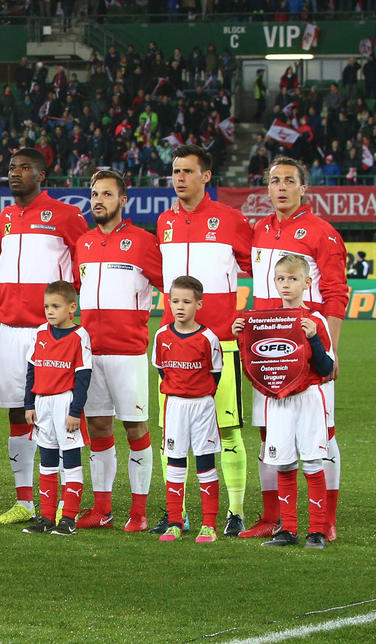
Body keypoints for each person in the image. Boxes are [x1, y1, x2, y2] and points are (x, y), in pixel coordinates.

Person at [241, 156, 348, 540]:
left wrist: (329, 350)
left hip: (306, 349)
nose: (281, 187)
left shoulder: (322, 232)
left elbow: (336, 292)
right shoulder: (259, 230)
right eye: (274, 181)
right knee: (270, 433)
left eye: (289, 180)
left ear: (304, 188)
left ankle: (327, 519)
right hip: (267, 353)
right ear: (266, 188)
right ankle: (275, 518)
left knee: (325, 432)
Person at [0, 148, 88, 526]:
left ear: (42, 175)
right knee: (18, 412)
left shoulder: (65, 215)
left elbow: (84, 263)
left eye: (25, 168)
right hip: (10, 329)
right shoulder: (7, 216)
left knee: (59, 415)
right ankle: (25, 502)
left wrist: (68, 315)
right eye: (12, 167)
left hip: (48, 332)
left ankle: (64, 503)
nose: (16, 173)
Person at [155, 145, 253, 536]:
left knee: (227, 430)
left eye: (188, 171)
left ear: (206, 176)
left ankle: (234, 510)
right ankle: (176, 514)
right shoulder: (163, 222)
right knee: (170, 434)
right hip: (171, 346)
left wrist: (244, 315)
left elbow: (257, 268)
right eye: (176, 171)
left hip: (220, 345)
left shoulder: (230, 220)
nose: (180, 178)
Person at [69, 170, 162, 532]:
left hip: (129, 353)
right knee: (98, 425)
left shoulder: (142, 242)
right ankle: (102, 508)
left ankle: (138, 514)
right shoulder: (84, 243)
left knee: (136, 427)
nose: (98, 201)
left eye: (107, 194)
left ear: (124, 201)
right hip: (91, 353)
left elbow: (167, 285)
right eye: (94, 194)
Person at [232, 254, 334, 549]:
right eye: (280, 279)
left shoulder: (315, 320)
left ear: (307, 282)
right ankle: (287, 530)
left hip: (307, 401)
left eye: (292, 278)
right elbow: (258, 365)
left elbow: (327, 369)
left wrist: (313, 339)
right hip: (277, 403)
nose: (286, 284)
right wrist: (241, 338)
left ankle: (317, 531)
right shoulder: (265, 321)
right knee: (284, 464)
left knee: (313, 463)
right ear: (273, 282)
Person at [152, 275, 223, 543]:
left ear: (199, 304)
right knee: (175, 463)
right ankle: (174, 522)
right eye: (174, 301)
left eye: (186, 301)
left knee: (205, 463)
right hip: (175, 406)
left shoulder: (208, 338)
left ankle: (209, 525)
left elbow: (215, 374)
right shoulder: (161, 336)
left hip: (202, 406)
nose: (179, 306)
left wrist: (197, 392)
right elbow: (161, 369)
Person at [19, 280, 92, 537]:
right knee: (47, 462)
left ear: (72, 307)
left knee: (71, 462)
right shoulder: (40, 333)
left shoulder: (79, 336)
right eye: (47, 306)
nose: (50, 311)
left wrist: (75, 411)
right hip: (42, 405)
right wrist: (29, 404)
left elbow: (83, 377)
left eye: (56, 306)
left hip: (65, 403)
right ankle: (47, 517)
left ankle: (68, 518)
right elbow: (31, 370)